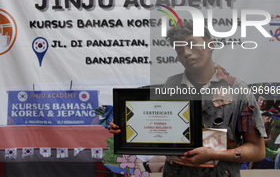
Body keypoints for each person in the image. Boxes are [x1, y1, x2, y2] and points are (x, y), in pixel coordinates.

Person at [110, 21, 266, 176]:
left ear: (210, 45)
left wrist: (214, 154)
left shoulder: (238, 89)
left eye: (192, 44)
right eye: (179, 50)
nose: (186, 53)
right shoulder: (171, 85)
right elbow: (156, 126)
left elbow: (257, 150)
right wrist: (126, 127)